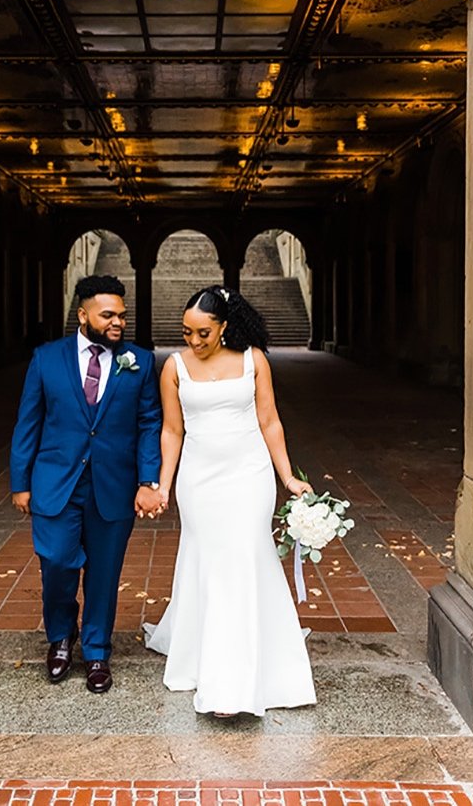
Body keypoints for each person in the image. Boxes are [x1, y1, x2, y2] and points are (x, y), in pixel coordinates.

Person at [144, 285, 316, 717]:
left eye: (203, 333)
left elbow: (269, 420)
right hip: (199, 481)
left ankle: (232, 684)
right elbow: (172, 431)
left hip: (249, 476)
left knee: (244, 559)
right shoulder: (174, 367)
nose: (194, 342)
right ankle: (209, 659)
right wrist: (163, 484)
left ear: (224, 327)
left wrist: (288, 476)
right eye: (187, 333)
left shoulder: (252, 359)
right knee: (209, 563)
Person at [10, 274, 163, 693]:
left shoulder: (141, 362)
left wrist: (149, 479)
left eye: (122, 316)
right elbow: (29, 422)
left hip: (113, 485)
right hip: (55, 483)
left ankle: (97, 651)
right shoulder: (46, 358)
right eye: (108, 315)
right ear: (83, 314)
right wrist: (20, 482)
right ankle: (61, 636)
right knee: (56, 562)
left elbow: (150, 423)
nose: (117, 323)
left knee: (104, 572)